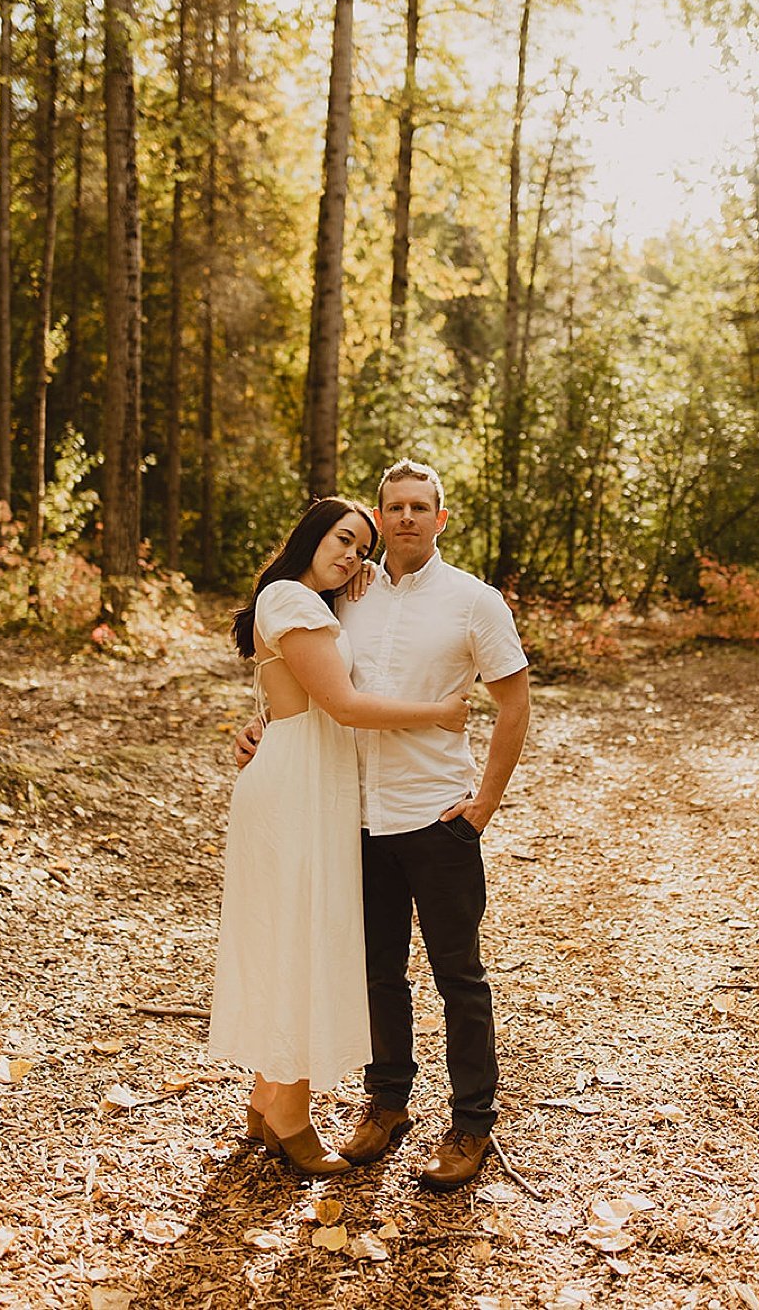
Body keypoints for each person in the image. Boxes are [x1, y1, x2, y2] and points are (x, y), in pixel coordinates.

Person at [237, 459, 531, 1190]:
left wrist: (484, 805)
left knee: (458, 975)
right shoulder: (347, 596)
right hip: (351, 814)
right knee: (375, 975)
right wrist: (261, 727)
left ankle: (470, 1124)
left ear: (440, 517)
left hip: (436, 813)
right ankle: (387, 1104)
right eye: (392, 506)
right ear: (378, 520)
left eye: (418, 505)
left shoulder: (474, 601)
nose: (404, 517)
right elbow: (306, 680)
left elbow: (514, 705)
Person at [208, 496, 469, 1178]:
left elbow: (301, 691)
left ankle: (269, 1097)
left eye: (363, 548)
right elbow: (344, 704)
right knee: (301, 939)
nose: (352, 554)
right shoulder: (293, 600)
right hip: (296, 786)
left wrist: (356, 582)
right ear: (310, 536)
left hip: (310, 777)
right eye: (342, 539)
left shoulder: (307, 600)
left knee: (300, 937)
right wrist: (439, 712)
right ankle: (287, 1112)